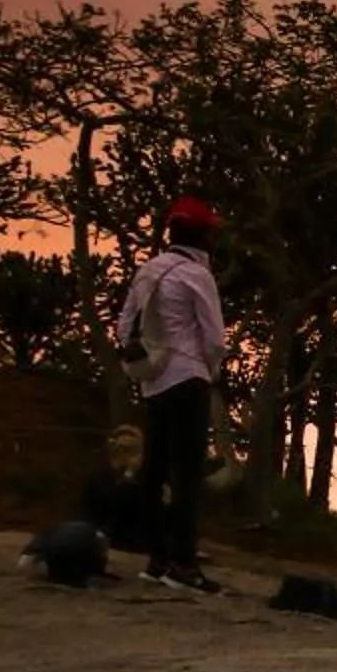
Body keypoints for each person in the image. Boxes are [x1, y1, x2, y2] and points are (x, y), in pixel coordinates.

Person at [116, 196, 227, 594]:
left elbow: (124, 325)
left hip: (155, 382)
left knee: (154, 470)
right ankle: (184, 564)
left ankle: (157, 559)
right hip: (188, 377)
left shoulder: (149, 271)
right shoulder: (198, 276)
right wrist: (208, 372)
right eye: (212, 232)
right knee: (187, 475)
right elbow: (214, 337)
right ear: (201, 236)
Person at [81, 426, 147, 555]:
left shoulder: (143, 478)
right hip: (105, 536)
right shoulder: (99, 476)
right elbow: (104, 506)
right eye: (123, 448)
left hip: (136, 541)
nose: (126, 454)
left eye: (132, 449)